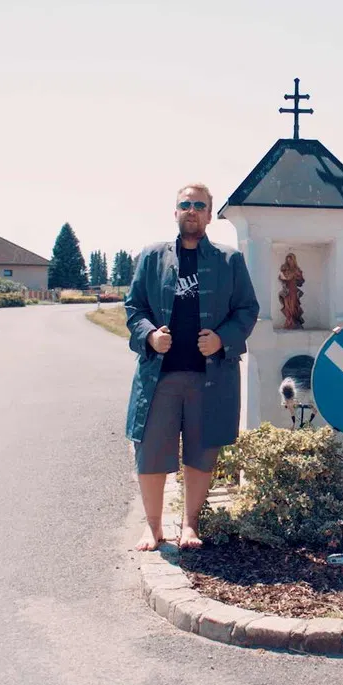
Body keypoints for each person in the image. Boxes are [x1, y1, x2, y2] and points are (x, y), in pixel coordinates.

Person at [124, 183, 260, 551]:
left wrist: (221, 339)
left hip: (210, 377)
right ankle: (153, 528)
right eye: (185, 204)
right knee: (151, 451)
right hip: (159, 375)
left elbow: (247, 309)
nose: (192, 210)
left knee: (202, 451)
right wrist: (150, 336)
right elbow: (134, 307)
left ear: (210, 215)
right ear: (175, 212)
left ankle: (190, 525)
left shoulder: (229, 261)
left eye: (200, 205)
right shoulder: (152, 257)